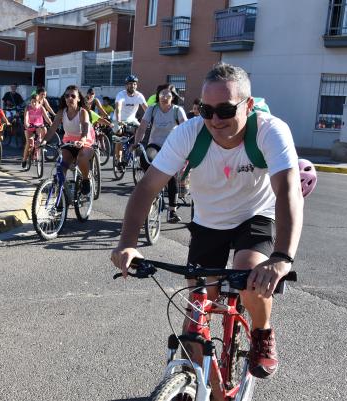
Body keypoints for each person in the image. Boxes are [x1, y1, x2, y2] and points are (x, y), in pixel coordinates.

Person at [111, 62, 304, 380]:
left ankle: (262, 332)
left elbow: (287, 192)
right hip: (208, 221)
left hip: (254, 215)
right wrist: (127, 244)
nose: (215, 120)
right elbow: (147, 189)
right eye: (206, 110)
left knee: (250, 276)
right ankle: (196, 384)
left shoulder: (270, 130)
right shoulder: (188, 133)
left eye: (226, 110)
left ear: (249, 105)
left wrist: (281, 258)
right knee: (198, 308)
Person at [133, 84, 187, 223]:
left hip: (172, 146)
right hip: (155, 144)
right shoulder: (152, 109)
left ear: (173, 97)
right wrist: (136, 142)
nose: (164, 97)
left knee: (171, 176)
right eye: (162, 94)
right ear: (158, 96)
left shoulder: (177, 110)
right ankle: (152, 187)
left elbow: (186, 129)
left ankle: (172, 211)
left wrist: (187, 148)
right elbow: (142, 127)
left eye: (168, 94)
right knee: (147, 159)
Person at [44, 85, 95, 195]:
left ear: (78, 98)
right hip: (69, 143)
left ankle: (86, 179)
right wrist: (43, 141)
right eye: (67, 96)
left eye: (73, 96)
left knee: (81, 158)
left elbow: (85, 127)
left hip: (85, 142)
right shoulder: (62, 112)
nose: (69, 98)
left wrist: (82, 140)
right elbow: (53, 128)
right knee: (61, 166)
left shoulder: (82, 112)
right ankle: (60, 199)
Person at [113, 75, 148, 165]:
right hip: (119, 119)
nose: (132, 86)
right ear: (126, 85)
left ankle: (132, 148)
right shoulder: (121, 94)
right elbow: (118, 108)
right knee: (119, 135)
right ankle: (119, 160)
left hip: (132, 120)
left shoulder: (139, 96)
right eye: (130, 84)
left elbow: (147, 109)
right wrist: (119, 120)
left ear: (136, 85)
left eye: (134, 84)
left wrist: (150, 120)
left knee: (141, 131)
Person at [22, 94, 53, 168]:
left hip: (39, 126)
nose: (34, 103)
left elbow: (46, 117)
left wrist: (51, 123)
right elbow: (26, 118)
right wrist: (26, 123)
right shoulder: (28, 108)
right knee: (29, 143)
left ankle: (37, 151)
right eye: (32, 102)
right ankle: (24, 159)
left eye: (35, 102)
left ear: (39, 101)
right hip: (29, 127)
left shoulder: (41, 108)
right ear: (30, 102)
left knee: (40, 138)